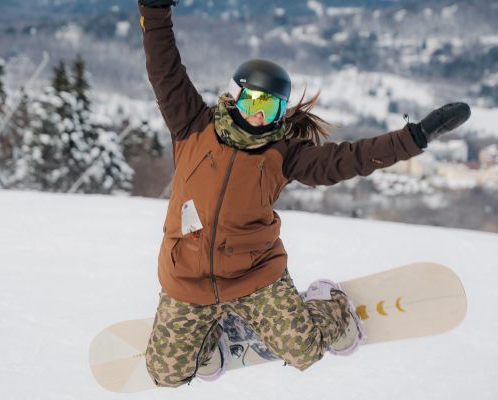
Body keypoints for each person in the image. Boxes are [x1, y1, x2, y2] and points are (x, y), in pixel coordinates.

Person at [137, 0, 471, 388]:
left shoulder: (283, 155)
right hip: (188, 279)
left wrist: (413, 139)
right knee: (165, 374)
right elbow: (163, 67)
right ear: (235, 95)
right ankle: (213, 332)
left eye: (272, 106)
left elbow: (349, 159)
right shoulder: (192, 125)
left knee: (305, 350)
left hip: (253, 276)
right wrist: (155, 9)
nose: (260, 115)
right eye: (254, 101)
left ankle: (329, 305)